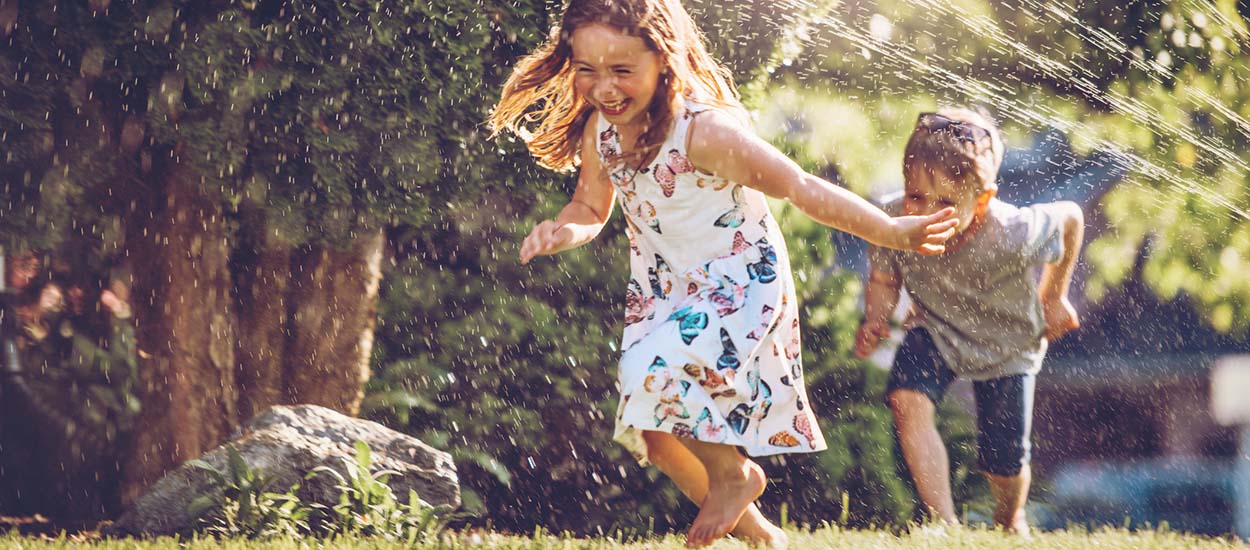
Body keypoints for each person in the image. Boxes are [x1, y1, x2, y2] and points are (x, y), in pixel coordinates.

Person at [488, 1, 959, 546]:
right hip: (667, 292)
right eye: (587, 70)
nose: (604, 87)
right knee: (655, 432)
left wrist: (889, 230)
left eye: (622, 71)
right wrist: (561, 231)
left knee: (652, 374)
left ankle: (735, 476)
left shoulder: (703, 132)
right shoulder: (603, 133)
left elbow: (800, 187)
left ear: (662, 61)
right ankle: (762, 537)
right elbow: (591, 208)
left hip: (739, 282)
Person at [854, 107, 1085, 535]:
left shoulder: (1015, 231)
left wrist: (1054, 297)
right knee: (907, 399)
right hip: (935, 329)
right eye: (915, 195)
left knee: (1003, 460)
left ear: (982, 201)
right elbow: (885, 276)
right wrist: (876, 316)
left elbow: (1072, 216)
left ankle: (1009, 517)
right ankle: (943, 523)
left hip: (1007, 344)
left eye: (945, 203)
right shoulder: (894, 222)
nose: (925, 212)